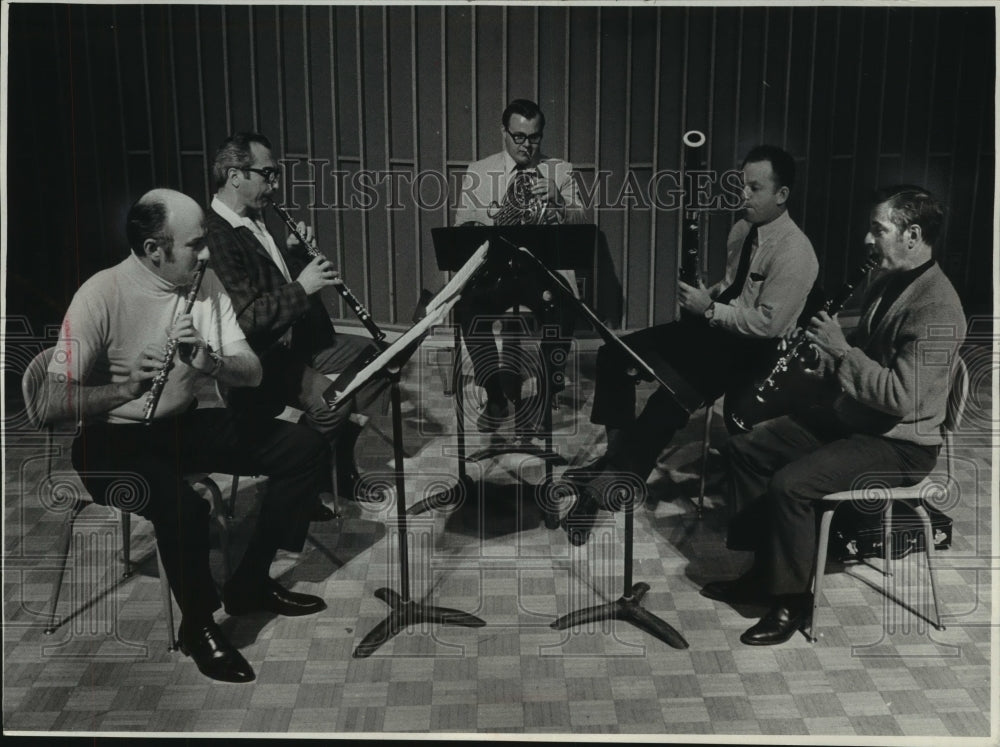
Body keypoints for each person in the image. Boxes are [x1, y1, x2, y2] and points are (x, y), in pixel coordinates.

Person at [45, 189, 330, 683]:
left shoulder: (207, 284)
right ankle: (198, 626)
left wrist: (210, 362)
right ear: (155, 249)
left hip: (178, 425)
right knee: (184, 506)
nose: (207, 253)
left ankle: (251, 581)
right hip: (110, 442)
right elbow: (48, 403)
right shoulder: (101, 293)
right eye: (196, 244)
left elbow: (253, 372)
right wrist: (124, 388)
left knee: (303, 447)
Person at [702, 185, 966, 646]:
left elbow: (900, 396)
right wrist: (822, 356)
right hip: (860, 420)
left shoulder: (938, 307)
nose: (867, 239)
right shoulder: (888, 280)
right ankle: (765, 567)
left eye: (878, 229)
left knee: (792, 484)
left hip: (902, 445)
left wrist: (841, 350)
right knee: (745, 449)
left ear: (912, 234)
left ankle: (792, 601)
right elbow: (866, 356)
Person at [562, 145, 819, 545]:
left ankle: (608, 487)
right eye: (742, 185)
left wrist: (710, 309)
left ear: (782, 195)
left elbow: (768, 324)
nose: (743, 196)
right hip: (715, 329)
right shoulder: (741, 230)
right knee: (614, 355)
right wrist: (707, 294)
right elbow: (733, 286)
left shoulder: (796, 252)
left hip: (750, 353)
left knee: (667, 401)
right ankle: (616, 460)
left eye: (755, 188)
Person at [204, 132, 388, 513]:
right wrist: (303, 287)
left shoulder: (252, 217)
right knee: (333, 404)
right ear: (235, 175)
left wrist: (292, 255)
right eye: (268, 174)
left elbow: (275, 283)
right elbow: (248, 318)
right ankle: (297, 474)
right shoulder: (217, 235)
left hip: (292, 342)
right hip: (258, 360)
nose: (274, 184)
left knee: (380, 362)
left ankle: (329, 462)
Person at [454, 98, 588, 434]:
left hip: (541, 270)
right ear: (504, 133)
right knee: (468, 308)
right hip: (496, 270)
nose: (526, 145)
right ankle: (495, 394)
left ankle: (544, 396)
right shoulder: (479, 172)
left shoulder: (561, 171)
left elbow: (582, 222)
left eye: (534, 137)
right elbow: (460, 228)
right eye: (518, 137)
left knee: (564, 309)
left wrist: (557, 199)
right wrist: (491, 220)